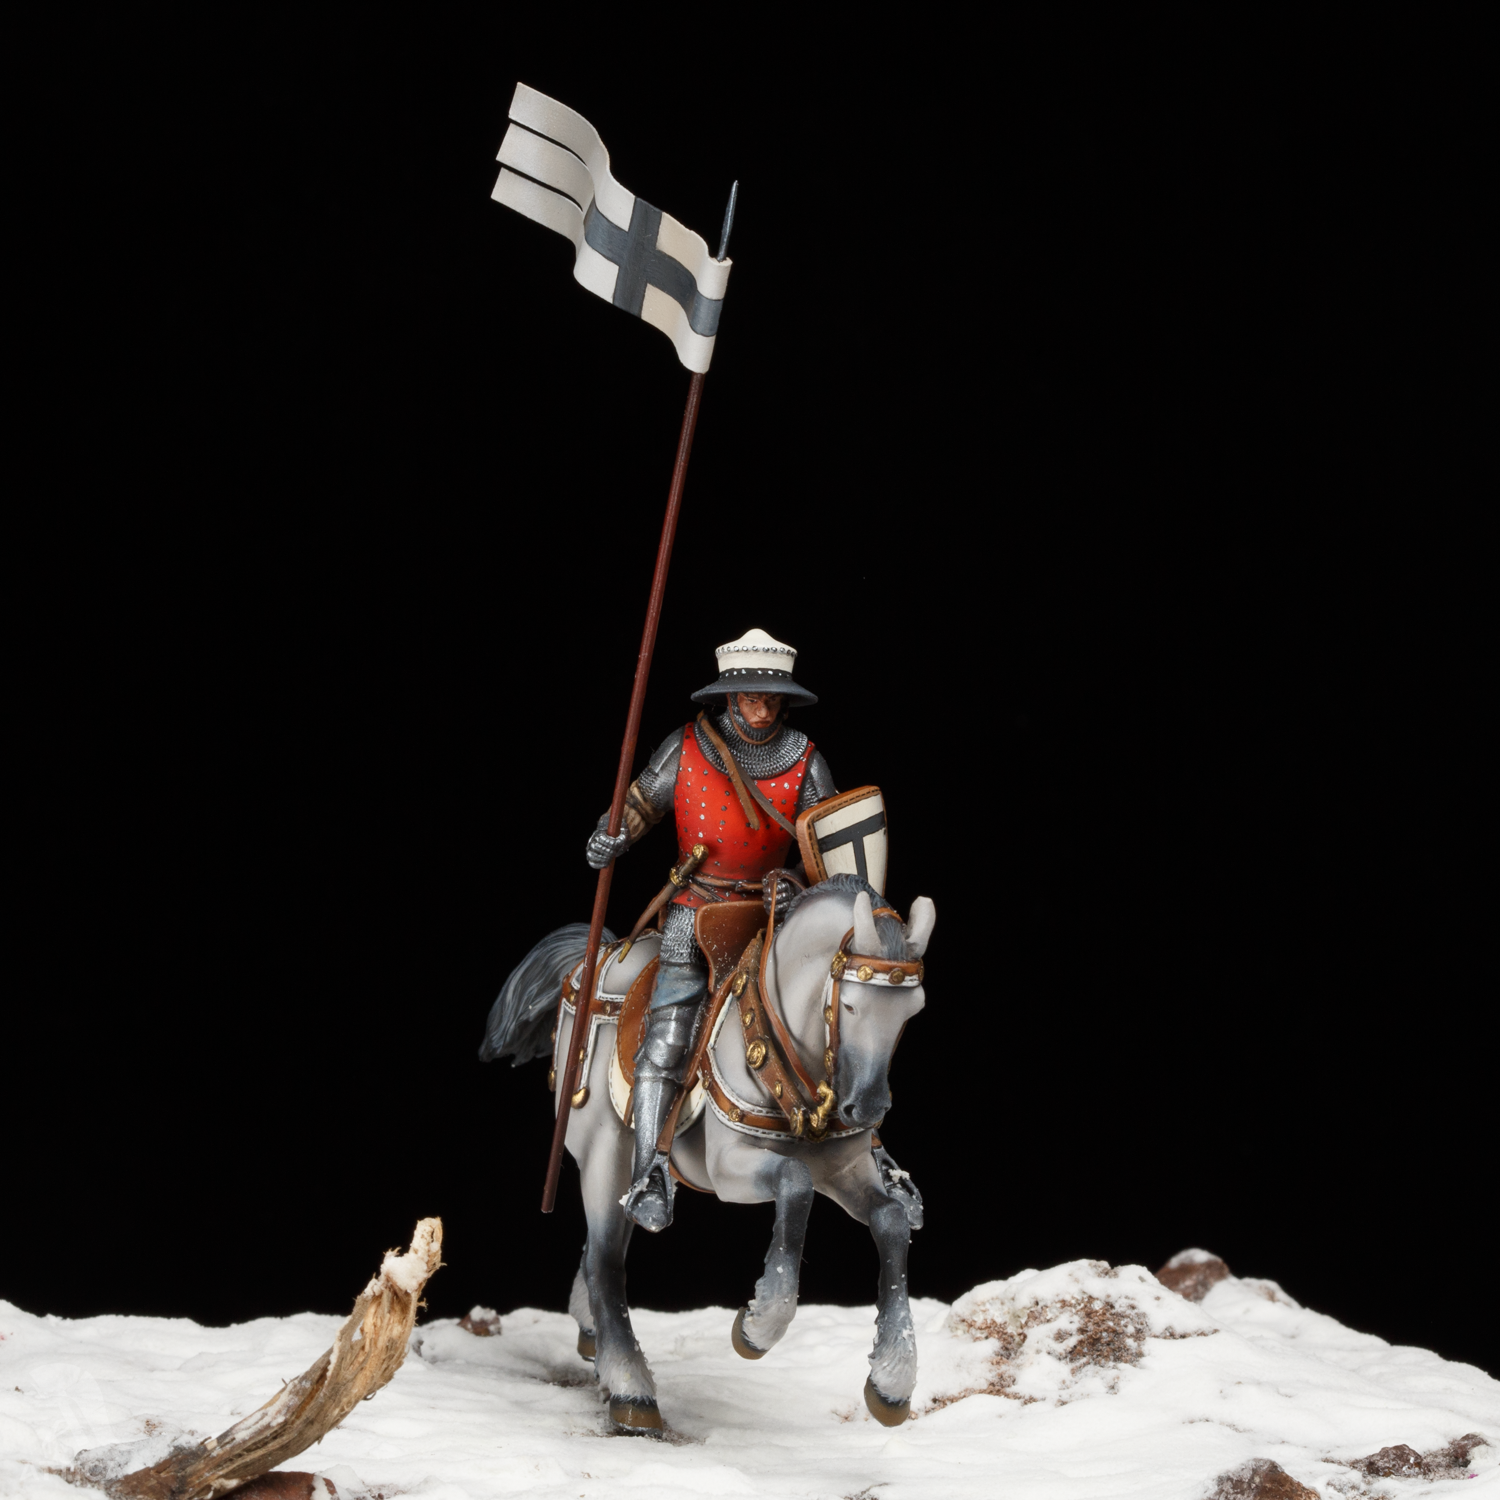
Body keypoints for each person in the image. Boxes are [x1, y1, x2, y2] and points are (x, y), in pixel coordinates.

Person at [585, 628, 835, 1230]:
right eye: (751, 698)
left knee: (837, 1015)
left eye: (772, 699)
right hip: (695, 913)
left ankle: (861, 1143)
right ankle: (649, 1173)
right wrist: (610, 834)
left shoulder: (805, 759)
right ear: (729, 697)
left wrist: (794, 881)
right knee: (669, 1033)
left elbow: (826, 851)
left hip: (775, 920)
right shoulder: (687, 747)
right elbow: (640, 804)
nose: (763, 710)